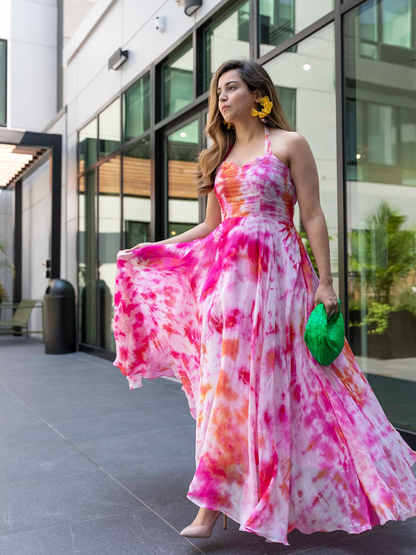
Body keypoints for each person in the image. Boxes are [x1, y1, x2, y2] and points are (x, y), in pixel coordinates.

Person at [113, 59, 416, 545]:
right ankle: (211, 504)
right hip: (227, 289)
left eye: (231, 88)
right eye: (218, 92)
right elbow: (211, 226)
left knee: (286, 389)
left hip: (281, 283)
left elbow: (313, 215)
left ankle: (287, 494)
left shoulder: (289, 144)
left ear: (259, 94)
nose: (222, 98)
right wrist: (155, 249)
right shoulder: (219, 157)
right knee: (226, 391)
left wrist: (326, 281)